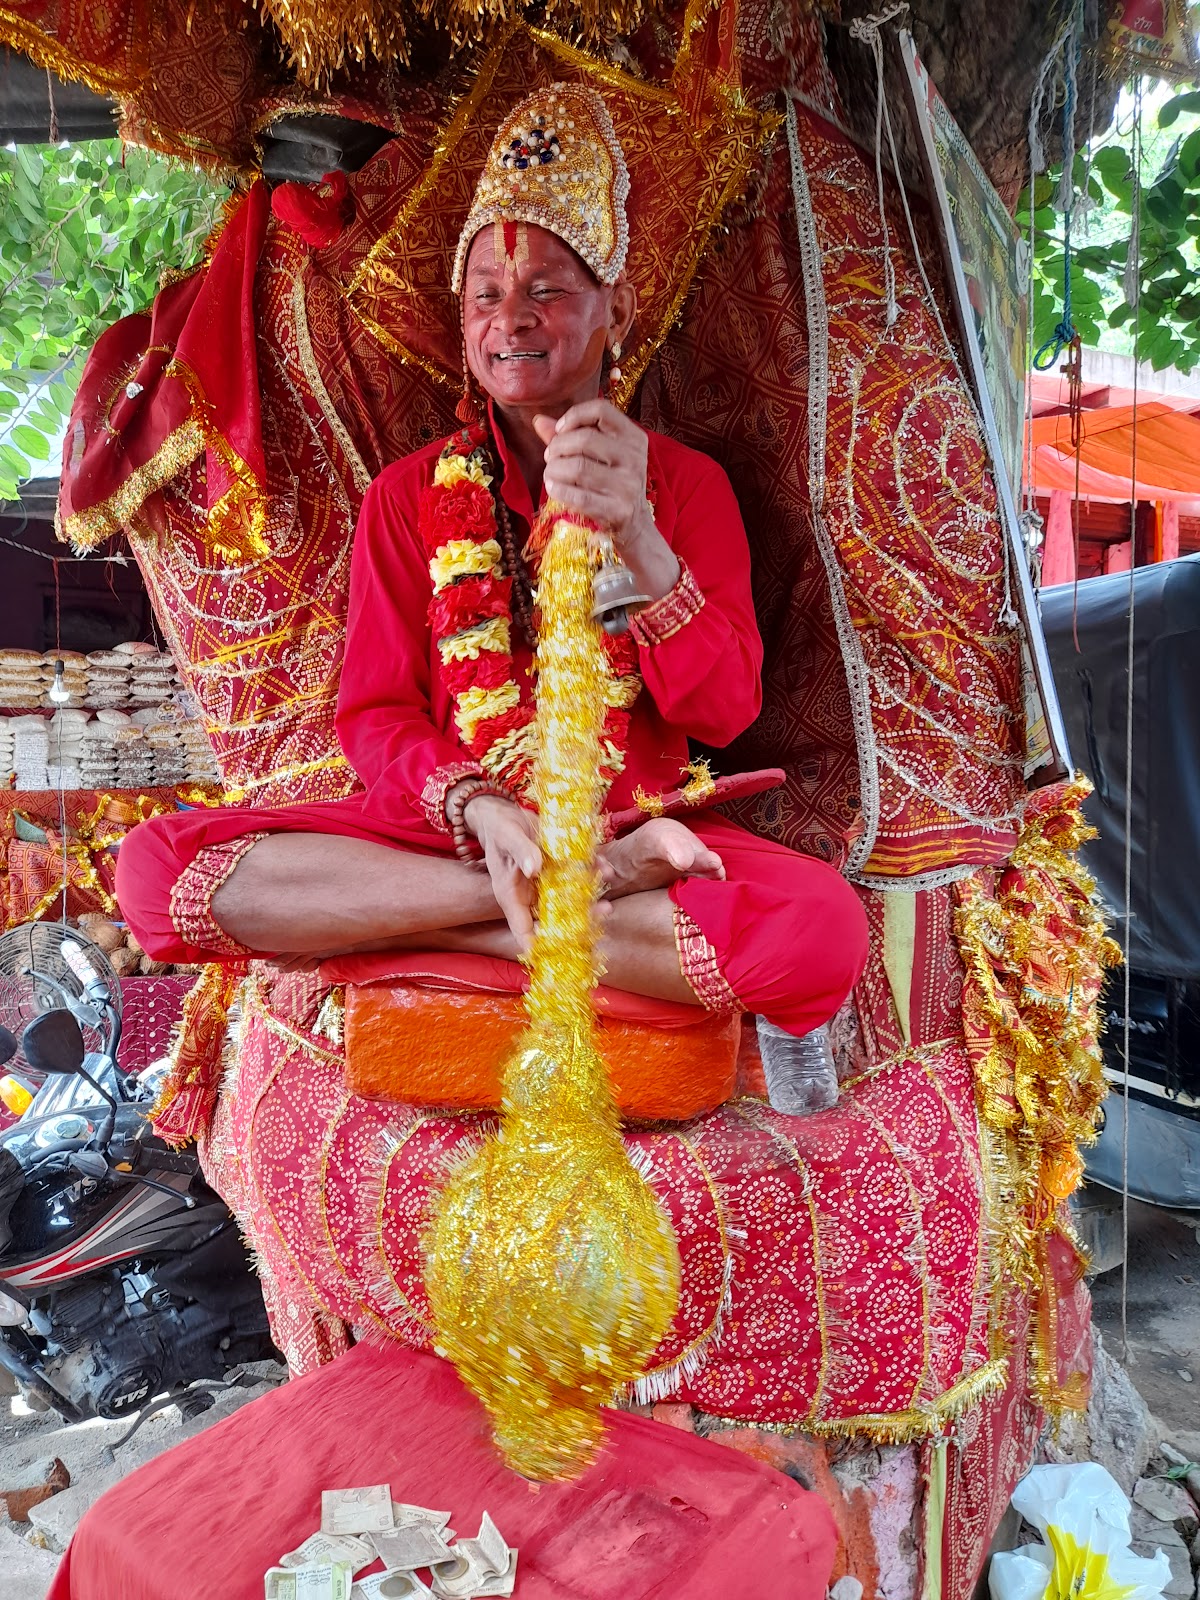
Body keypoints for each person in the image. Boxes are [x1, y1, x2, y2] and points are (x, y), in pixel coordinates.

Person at [117, 82, 867, 1039]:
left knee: (818, 936)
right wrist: (476, 807)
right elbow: (376, 715)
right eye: (486, 296)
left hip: (629, 820)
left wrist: (635, 533)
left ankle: (434, 929)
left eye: (547, 290)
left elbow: (723, 709)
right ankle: (552, 914)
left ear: (616, 306)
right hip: (451, 837)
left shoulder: (685, 489)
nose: (510, 320)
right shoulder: (406, 497)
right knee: (153, 877)